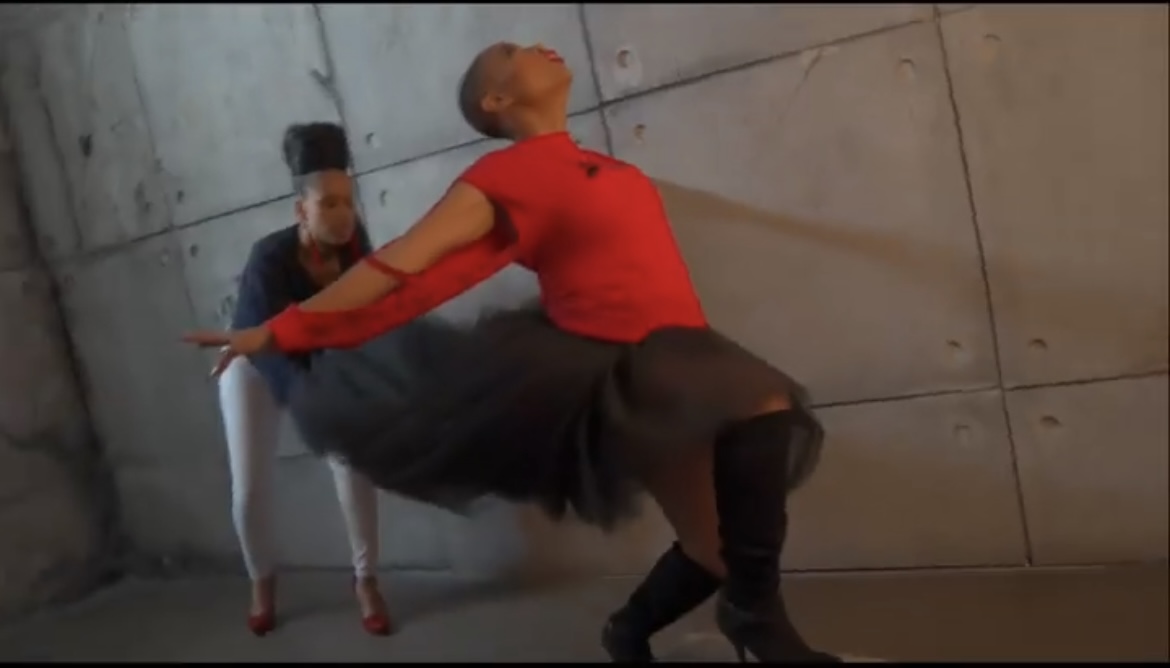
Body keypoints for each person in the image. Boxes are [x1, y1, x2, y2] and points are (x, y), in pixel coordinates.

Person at [186, 44, 837, 662]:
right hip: (627, 365)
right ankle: (754, 615)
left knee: (713, 548)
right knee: (762, 400)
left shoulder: (612, 169)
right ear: (496, 100)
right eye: (512, 52)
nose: (536, 47)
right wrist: (279, 330)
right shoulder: (503, 176)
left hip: (688, 355)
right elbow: (404, 270)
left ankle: (628, 629)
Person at [218, 121, 391, 638]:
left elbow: (366, 316)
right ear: (301, 210)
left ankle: (366, 582)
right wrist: (306, 398)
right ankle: (262, 582)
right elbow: (263, 343)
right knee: (249, 489)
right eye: (328, 205)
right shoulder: (268, 259)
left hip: (319, 362)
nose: (343, 216)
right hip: (254, 362)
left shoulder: (356, 246)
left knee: (352, 461)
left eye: (348, 201)